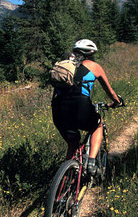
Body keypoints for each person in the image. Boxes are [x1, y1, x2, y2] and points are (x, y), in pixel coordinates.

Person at [51, 39, 122, 175]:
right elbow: (110, 92)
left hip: (58, 108)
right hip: (80, 106)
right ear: (91, 53)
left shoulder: (65, 66)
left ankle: (67, 178)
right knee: (98, 125)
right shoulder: (93, 66)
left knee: (72, 142)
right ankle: (91, 163)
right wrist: (117, 102)